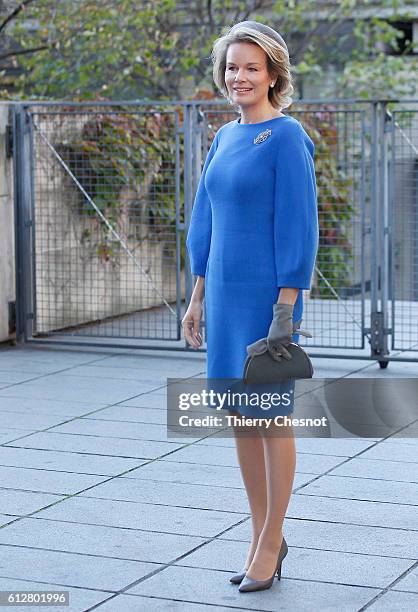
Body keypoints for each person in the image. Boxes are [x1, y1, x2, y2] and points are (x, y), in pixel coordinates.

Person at [182, 20, 319, 593]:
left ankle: (272, 536)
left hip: (267, 298)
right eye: (232, 67)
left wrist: (286, 306)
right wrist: (196, 298)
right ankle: (261, 532)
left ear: (273, 75)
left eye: (252, 68)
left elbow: (299, 224)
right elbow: (206, 220)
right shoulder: (223, 136)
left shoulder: (287, 137)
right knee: (240, 415)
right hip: (225, 293)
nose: (240, 76)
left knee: (269, 416)